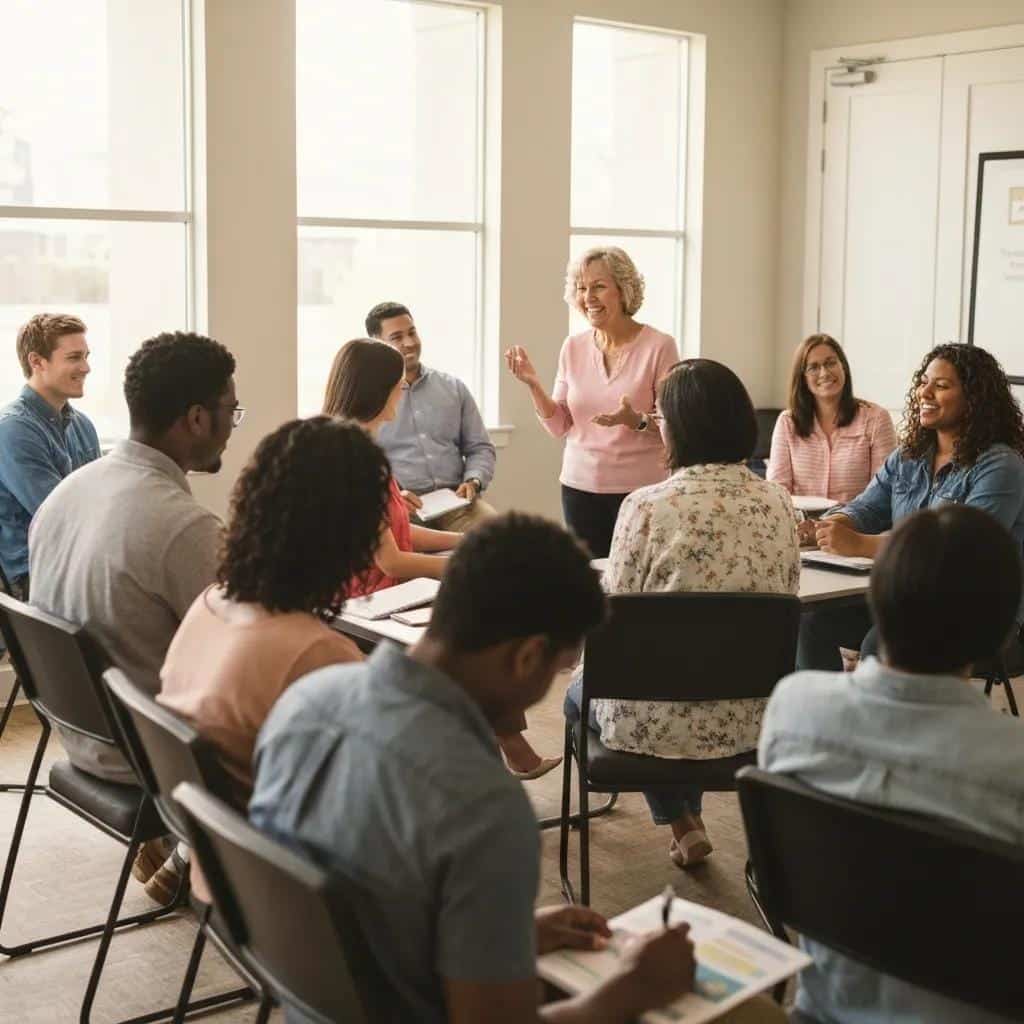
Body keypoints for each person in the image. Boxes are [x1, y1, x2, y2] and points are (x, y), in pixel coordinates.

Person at [249, 513, 699, 1024]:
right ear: (528, 657)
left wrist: (503, 933)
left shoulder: (302, 704)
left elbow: (364, 915)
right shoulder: (482, 807)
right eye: (556, 671)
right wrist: (634, 989)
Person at [760, 503, 1024, 1024]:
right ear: (1001, 634)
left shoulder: (792, 708)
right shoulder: (1013, 766)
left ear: (875, 600)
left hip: (824, 1010)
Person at [565, 359, 800, 869]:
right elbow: (785, 595)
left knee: (576, 692)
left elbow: (612, 623)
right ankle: (685, 823)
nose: (659, 426)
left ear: (681, 427)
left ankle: (682, 820)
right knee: (682, 679)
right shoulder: (780, 503)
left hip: (653, 723)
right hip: (753, 719)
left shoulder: (645, 506)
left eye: (661, 417)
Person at [28, 331, 239, 901]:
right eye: (230, 411)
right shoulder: (184, 528)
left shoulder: (68, 492)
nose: (231, 425)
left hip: (79, 734)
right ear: (197, 418)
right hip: (151, 756)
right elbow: (238, 662)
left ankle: (183, 848)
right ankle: (202, 851)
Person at [323, 338, 558, 778]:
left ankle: (505, 748)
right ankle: (497, 752)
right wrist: (462, 566)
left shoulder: (348, 444)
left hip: (372, 596)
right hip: (375, 605)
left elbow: (397, 533)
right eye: (397, 386)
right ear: (379, 390)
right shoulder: (358, 456)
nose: (402, 393)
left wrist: (461, 546)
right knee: (479, 643)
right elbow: (391, 561)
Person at [160, 417, 391, 803]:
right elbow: (372, 792)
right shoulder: (318, 654)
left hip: (217, 846)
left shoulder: (210, 603)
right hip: (280, 857)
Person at [797, 342, 1024, 672]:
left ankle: (883, 724)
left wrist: (861, 544)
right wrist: (834, 524)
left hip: (980, 616)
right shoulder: (908, 457)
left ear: (974, 400)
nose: (925, 392)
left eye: (941, 385)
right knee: (813, 621)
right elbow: (866, 508)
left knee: (883, 642)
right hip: (909, 600)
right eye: (924, 381)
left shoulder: (1002, 466)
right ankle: (828, 723)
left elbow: (960, 552)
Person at [505, 247, 678, 558]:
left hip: (641, 492)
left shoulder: (660, 346)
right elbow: (559, 426)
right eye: (581, 288)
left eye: (598, 286)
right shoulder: (572, 347)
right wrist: (533, 386)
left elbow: (673, 428)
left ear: (624, 290)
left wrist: (635, 420)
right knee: (590, 588)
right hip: (579, 488)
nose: (588, 297)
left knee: (637, 588)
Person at [368, 301, 497, 532]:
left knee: (501, 538)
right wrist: (392, 497)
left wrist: (473, 480)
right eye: (397, 337)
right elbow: (364, 466)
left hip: (458, 505)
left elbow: (480, 448)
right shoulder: (369, 400)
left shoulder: (453, 388)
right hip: (402, 509)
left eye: (412, 332)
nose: (409, 343)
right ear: (377, 344)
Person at [0, 314, 100, 599]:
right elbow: (63, 518)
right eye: (74, 358)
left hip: (76, 563)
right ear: (37, 362)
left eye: (86, 356)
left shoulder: (82, 425)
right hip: (35, 577)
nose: (86, 367)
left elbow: (102, 505)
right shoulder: (13, 429)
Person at [767, 334, 895, 541]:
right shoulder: (787, 422)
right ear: (802, 377)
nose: (824, 373)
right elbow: (778, 491)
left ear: (843, 366)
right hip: (799, 535)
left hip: (855, 534)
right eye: (813, 367)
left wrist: (837, 523)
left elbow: (882, 494)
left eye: (830, 363)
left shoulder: (875, 419)